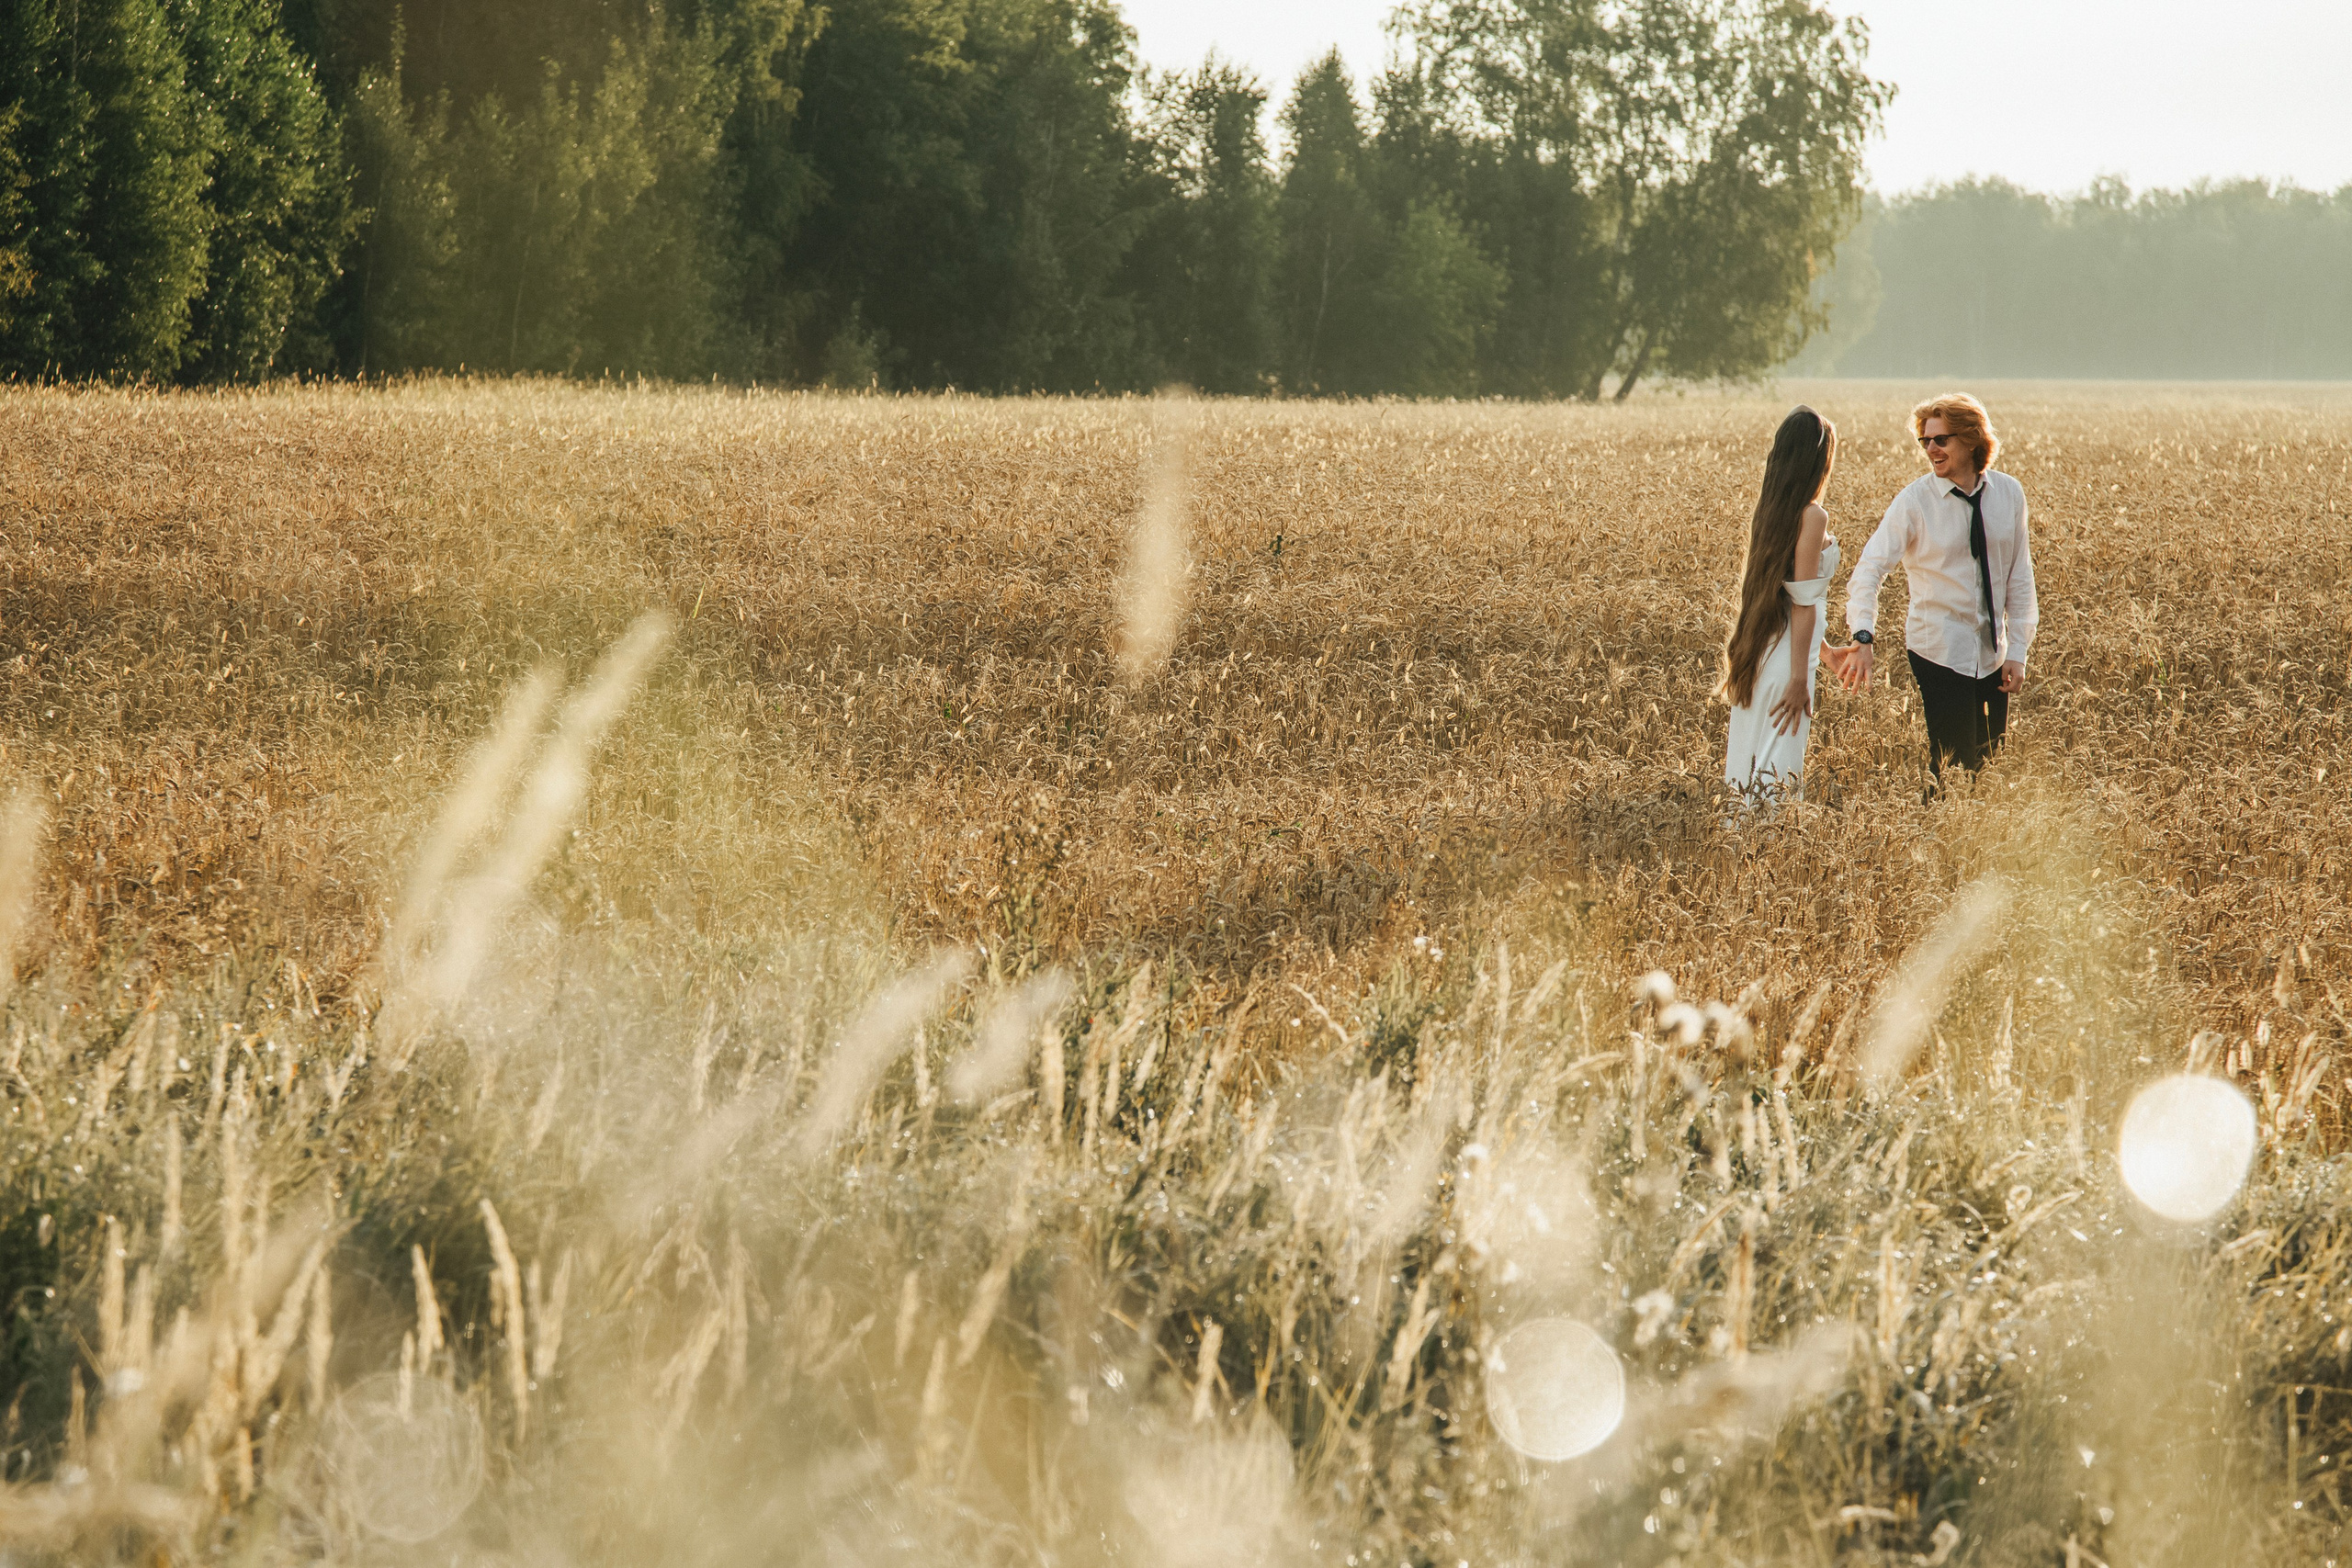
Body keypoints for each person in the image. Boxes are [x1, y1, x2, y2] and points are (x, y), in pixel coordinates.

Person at [1827, 392, 2039, 790]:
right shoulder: (1914, 502)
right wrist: (1863, 635)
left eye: (1941, 440)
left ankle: (1965, 829)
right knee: (1954, 766)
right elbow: (1869, 569)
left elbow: (2020, 578)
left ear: (1972, 440)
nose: (1931, 450)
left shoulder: (2009, 494)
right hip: (1938, 649)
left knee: (1989, 766)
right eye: (1925, 441)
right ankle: (1935, 826)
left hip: (1993, 654)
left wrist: (2018, 652)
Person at [1721, 405, 1840, 804]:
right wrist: (1799, 679)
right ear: (1818, 461)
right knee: (1776, 779)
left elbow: (1785, 595)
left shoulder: (1772, 509)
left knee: (1747, 771)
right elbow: (1803, 603)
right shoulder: (1813, 515)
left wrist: (1825, 653)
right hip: (1788, 666)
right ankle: (1768, 840)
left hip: (1763, 652)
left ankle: (1737, 839)